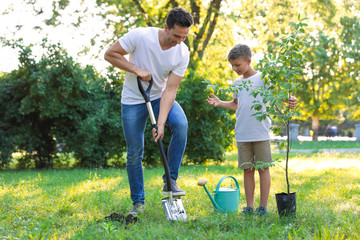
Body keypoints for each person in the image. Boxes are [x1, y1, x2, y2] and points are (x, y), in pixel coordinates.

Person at [104, 7, 194, 216]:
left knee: (180, 124)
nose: (179, 41)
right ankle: (138, 202)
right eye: (176, 36)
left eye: (184, 37)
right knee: (135, 151)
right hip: (133, 100)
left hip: (159, 97)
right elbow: (110, 54)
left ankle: (170, 180)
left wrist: (160, 123)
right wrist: (136, 69)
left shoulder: (182, 52)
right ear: (165, 27)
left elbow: (170, 89)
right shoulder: (141, 36)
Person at [206, 44, 297, 216]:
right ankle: (249, 206)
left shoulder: (263, 78)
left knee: (263, 168)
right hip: (242, 133)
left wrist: (290, 99)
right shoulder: (236, 83)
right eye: (232, 65)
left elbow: (276, 94)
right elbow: (235, 104)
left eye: (237, 65)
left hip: (260, 132)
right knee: (247, 169)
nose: (234, 68)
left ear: (248, 61)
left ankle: (263, 207)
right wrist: (220, 103)